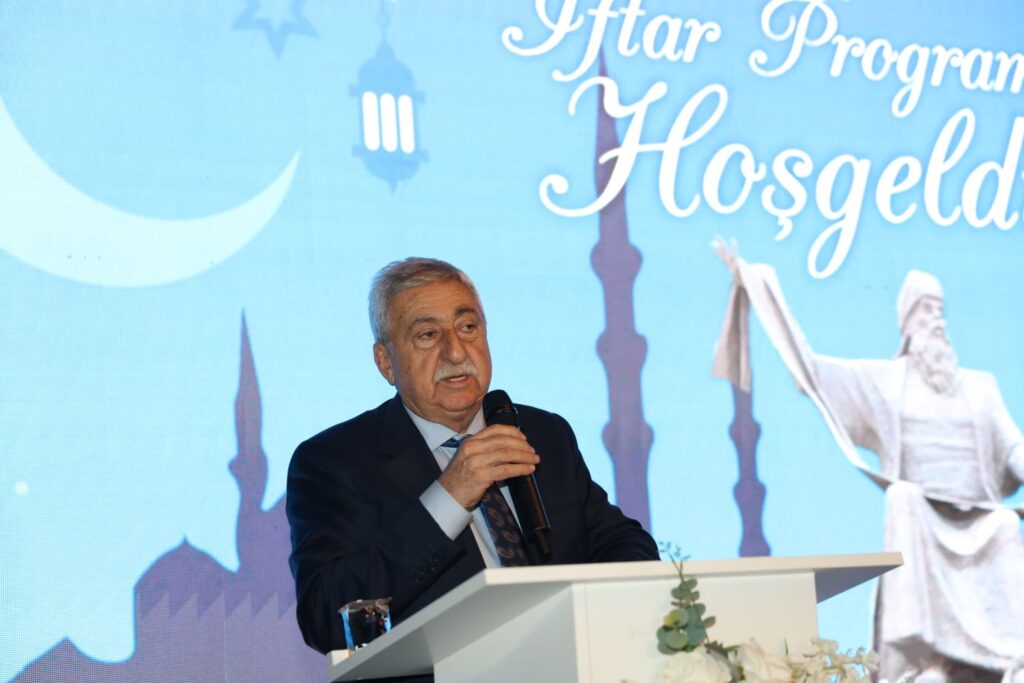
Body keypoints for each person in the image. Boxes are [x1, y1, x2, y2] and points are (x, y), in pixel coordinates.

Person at [286, 257, 658, 662]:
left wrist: (595, 618)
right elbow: (326, 615)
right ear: (386, 362)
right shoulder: (334, 462)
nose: (455, 351)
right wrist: (449, 497)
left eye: (467, 327)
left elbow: (626, 544)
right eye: (427, 335)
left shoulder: (544, 433)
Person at [712, 242, 1024, 683]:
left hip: (982, 517)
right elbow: (813, 374)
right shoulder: (887, 383)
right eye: (925, 310)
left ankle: (1009, 656)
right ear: (907, 324)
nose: (936, 320)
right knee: (902, 498)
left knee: (1007, 526)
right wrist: (759, 284)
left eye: (939, 310)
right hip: (923, 518)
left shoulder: (980, 388)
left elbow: (1012, 448)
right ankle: (924, 659)